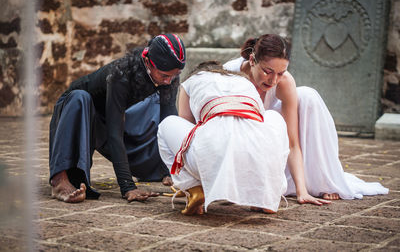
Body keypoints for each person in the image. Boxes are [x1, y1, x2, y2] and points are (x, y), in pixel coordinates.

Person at [223, 34, 389, 205]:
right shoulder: (230, 75)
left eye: (281, 73)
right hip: (245, 141)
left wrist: (302, 191)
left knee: (308, 95)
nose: (273, 80)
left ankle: (320, 180)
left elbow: (292, 143)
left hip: (276, 140)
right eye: (267, 71)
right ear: (252, 60)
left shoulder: (285, 82)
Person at [49, 33, 186, 203]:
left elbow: (169, 123)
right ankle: (59, 181)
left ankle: (159, 169)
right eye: (165, 76)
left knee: (158, 108)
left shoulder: (168, 77)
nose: (169, 81)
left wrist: (171, 170)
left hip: (106, 115)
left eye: (175, 75)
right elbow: (115, 133)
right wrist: (127, 186)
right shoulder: (120, 75)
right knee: (80, 97)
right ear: (149, 63)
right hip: (77, 111)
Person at [157, 62, 290, 215]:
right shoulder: (245, 82)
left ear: (196, 72)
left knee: (166, 125)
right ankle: (268, 196)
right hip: (258, 160)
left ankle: (193, 189)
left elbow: (187, 127)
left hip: (214, 156)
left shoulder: (190, 82)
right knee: (273, 118)